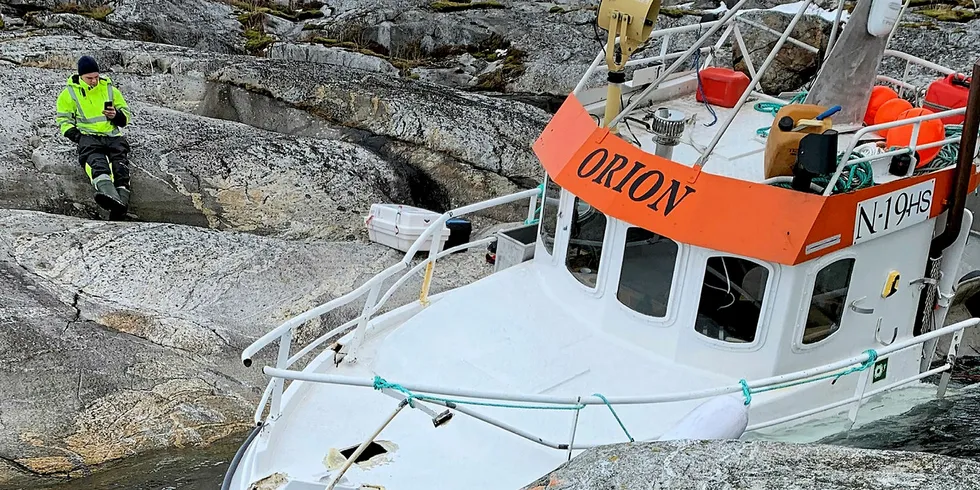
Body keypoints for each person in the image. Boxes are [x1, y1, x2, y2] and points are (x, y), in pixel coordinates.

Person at [55, 55, 134, 218]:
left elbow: (126, 116)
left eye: (96, 77)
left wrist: (116, 115)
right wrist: (78, 137)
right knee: (97, 163)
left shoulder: (110, 88)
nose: (94, 81)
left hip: (112, 135)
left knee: (121, 166)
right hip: (88, 137)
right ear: (80, 76)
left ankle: (119, 205)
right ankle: (109, 195)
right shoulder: (68, 93)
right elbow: (63, 121)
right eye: (89, 78)